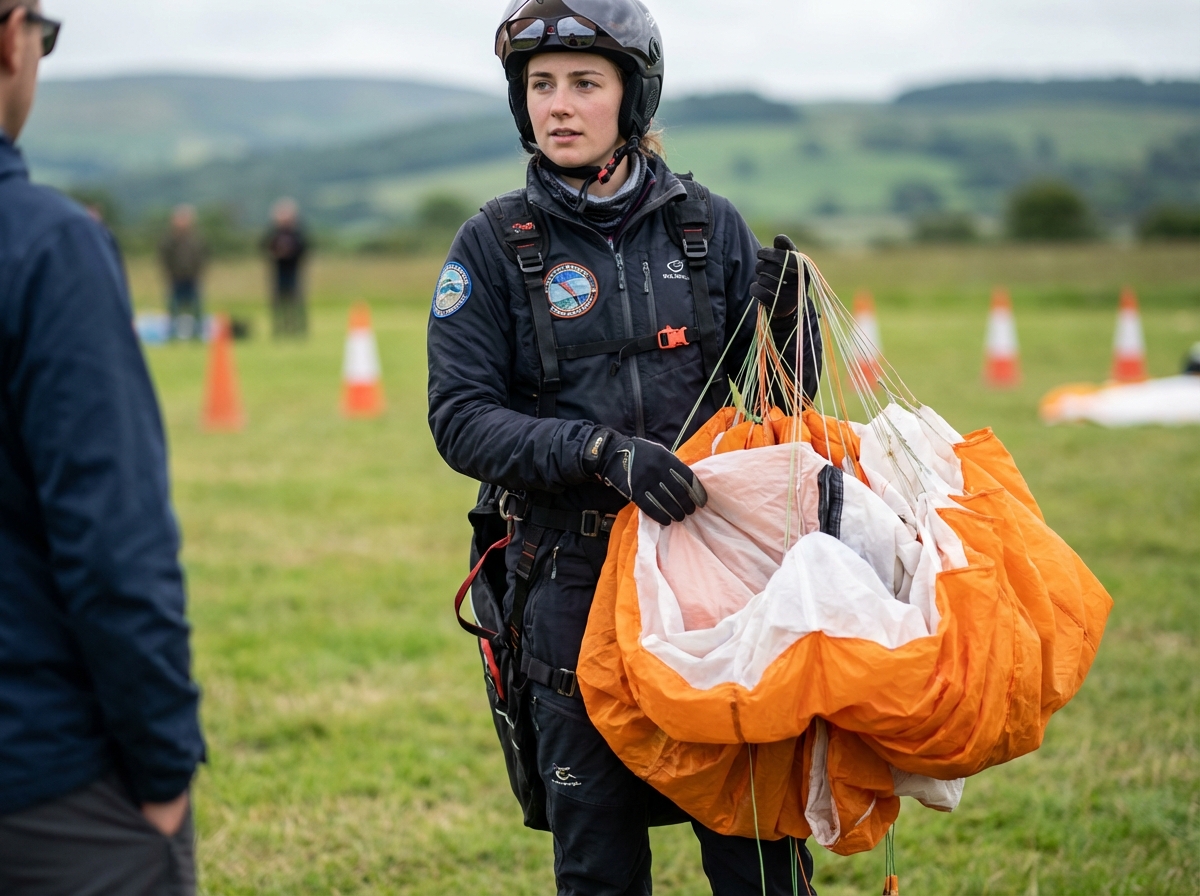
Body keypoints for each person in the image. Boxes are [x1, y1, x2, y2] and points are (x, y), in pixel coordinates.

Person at [427, 2, 822, 892]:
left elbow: (777, 411)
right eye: (541, 85)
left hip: (715, 579)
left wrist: (793, 338)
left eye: (584, 83)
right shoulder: (492, 246)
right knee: (599, 867)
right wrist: (600, 453)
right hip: (569, 583)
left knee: (760, 861)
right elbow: (459, 417)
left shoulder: (707, 229)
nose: (559, 105)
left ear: (632, 97)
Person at [0, 3, 206, 892]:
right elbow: (115, 551)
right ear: (11, 36)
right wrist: (162, 770)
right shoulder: (46, 245)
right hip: (39, 778)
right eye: (43, 33)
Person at [159, 203, 208, 341]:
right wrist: (169, 273)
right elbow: (164, 258)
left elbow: (203, 256)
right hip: (175, 278)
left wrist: (198, 272)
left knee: (196, 309)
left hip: (193, 278)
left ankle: (197, 334)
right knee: (173, 308)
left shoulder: (196, 239)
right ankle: (172, 334)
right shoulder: (169, 239)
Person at [262, 197, 309, 338]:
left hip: (293, 270)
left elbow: (304, 248)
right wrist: (276, 254)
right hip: (278, 271)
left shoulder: (297, 232)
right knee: (278, 302)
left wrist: (291, 253)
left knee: (296, 301)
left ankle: (298, 328)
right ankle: (279, 328)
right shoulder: (273, 233)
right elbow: (264, 247)